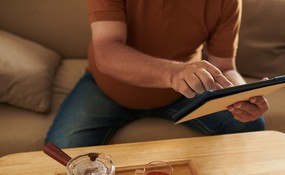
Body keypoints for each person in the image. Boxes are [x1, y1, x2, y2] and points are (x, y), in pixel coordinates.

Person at [45, 0, 269, 148]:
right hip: (108, 89)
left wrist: (242, 96)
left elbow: (225, 67)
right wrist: (173, 73)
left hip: (184, 91)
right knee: (59, 153)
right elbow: (106, 50)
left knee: (251, 124)